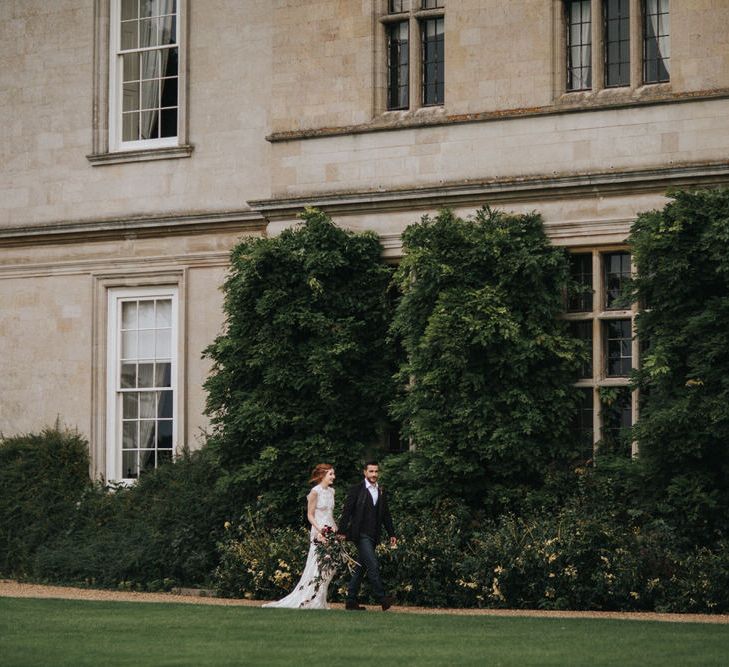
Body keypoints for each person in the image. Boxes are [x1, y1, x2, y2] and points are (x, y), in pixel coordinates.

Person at [262, 464, 337, 609]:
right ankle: (311, 599)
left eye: (333, 474)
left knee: (330, 567)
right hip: (319, 531)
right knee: (317, 565)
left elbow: (330, 514)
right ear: (322, 476)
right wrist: (320, 530)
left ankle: (320, 599)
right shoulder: (315, 492)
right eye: (331, 474)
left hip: (330, 530)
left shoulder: (332, 492)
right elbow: (310, 514)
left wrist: (336, 531)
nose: (333, 477)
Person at [338, 460, 397, 611]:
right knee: (373, 564)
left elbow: (386, 515)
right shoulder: (356, 489)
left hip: (374, 535)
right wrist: (342, 531)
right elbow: (347, 511)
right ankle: (382, 599)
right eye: (371, 471)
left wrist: (392, 533)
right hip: (360, 534)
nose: (374, 474)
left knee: (361, 567)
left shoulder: (381, 490)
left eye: (376, 471)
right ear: (365, 472)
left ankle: (351, 601)